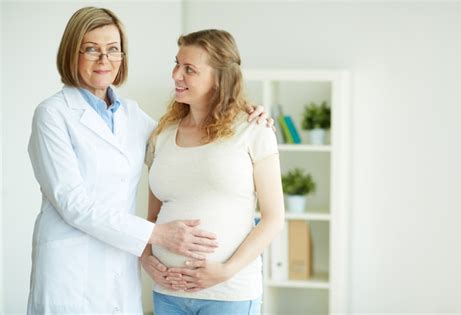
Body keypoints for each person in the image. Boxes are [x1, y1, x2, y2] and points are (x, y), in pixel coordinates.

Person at [27, 7, 272, 314]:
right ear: (71, 53)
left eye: (113, 49)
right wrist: (156, 235)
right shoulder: (52, 114)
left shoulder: (132, 116)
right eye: (91, 49)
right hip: (71, 270)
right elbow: (72, 204)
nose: (104, 60)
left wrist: (246, 113)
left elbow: (190, 145)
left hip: (121, 271)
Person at [141, 29, 285, 315]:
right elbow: (153, 218)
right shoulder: (163, 135)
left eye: (189, 69)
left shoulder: (253, 130)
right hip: (167, 293)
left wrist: (225, 270)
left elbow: (273, 219)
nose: (176, 75)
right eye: (177, 64)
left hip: (229, 294)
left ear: (220, 79)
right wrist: (146, 259)